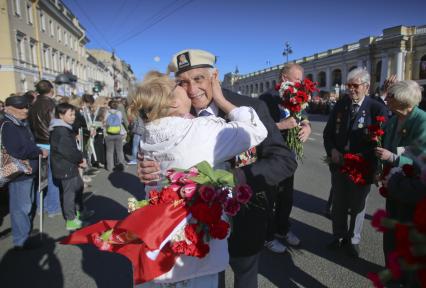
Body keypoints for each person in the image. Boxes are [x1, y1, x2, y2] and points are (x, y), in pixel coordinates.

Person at [139, 49, 297, 288]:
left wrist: (233, 178)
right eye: (183, 82)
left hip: (246, 217)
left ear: (215, 76)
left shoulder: (250, 106)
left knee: (245, 277)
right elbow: (157, 155)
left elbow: (284, 160)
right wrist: (146, 170)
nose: (192, 90)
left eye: (199, 79)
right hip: (199, 228)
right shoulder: (176, 111)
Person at [323, 67, 388, 258]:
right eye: (348, 85)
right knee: (339, 202)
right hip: (339, 164)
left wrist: (368, 161)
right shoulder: (341, 105)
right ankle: (339, 236)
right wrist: (332, 150)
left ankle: (353, 240)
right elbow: (327, 134)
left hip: (362, 167)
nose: (351, 89)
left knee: (358, 206)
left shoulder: (376, 108)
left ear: (366, 87)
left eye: (355, 85)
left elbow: (381, 142)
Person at [259, 63, 311, 253]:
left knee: (286, 197)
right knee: (270, 198)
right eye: (297, 79)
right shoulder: (266, 99)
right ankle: (267, 236)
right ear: (283, 78)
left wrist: (307, 126)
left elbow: (302, 115)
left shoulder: (296, 97)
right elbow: (259, 128)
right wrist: (281, 126)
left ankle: (282, 228)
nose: (300, 83)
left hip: (288, 156)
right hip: (271, 156)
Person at [374, 80, 426, 262]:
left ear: (405, 101)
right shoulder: (394, 119)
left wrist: (393, 158)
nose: (386, 100)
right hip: (394, 185)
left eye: (391, 97)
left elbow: (421, 158)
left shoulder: (422, 121)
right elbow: (386, 147)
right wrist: (381, 169)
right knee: (391, 233)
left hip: (412, 188)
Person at [1, 96, 48, 250]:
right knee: (21, 208)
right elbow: (18, 150)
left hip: (26, 171)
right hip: (19, 172)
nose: (25, 110)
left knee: (26, 205)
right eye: (20, 107)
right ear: (8, 108)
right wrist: (38, 151)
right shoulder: (9, 125)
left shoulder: (18, 123)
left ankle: (24, 236)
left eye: (26, 107)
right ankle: (21, 241)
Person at [49, 103, 93, 231]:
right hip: (65, 167)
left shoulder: (64, 128)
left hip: (69, 165)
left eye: (74, 114)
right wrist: (80, 159)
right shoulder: (61, 130)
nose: (74, 117)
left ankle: (81, 211)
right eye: (71, 114)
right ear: (61, 115)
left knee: (78, 187)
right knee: (70, 193)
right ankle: (71, 220)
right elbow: (68, 151)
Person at [28, 80, 62, 218]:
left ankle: (41, 207)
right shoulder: (51, 104)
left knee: (41, 178)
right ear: (51, 90)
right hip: (50, 143)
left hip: (37, 143)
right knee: (53, 177)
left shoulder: (33, 104)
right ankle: (53, 207)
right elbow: (54, 125)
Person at [104, 100, 126, 171]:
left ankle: (110, 167)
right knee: (120, 151)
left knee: (109, 151)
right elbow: (121, 121)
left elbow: (104, 122)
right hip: (118, 133)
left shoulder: (106, 112)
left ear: (109, 105)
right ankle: (122, 166)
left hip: (108, 134)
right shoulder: (119, 113)